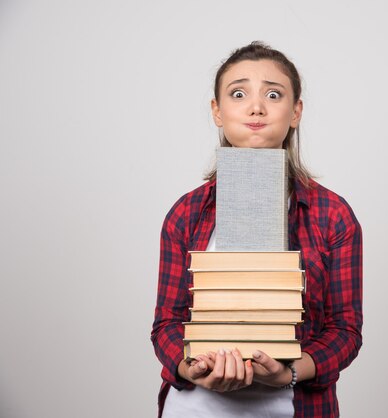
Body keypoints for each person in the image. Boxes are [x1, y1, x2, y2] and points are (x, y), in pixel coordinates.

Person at [151, 41, 363, 418]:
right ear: (217, 111)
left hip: (293, 407)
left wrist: (289, 372)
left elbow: (345, 330)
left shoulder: (332, 214)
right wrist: (191, 369)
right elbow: (167, 323)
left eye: (273, 94)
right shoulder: (186, 213)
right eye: (238, 93)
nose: (256, 107)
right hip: (196, 408)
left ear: (295, 111)